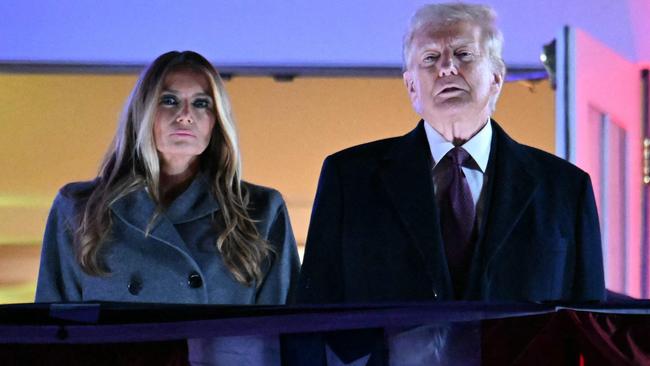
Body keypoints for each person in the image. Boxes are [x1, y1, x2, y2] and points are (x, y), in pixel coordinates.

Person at [294, 3, 605, 364]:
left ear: (496, 77)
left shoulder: (566, 188)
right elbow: (310, 321)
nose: (446, 67)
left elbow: (591, 327)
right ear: (411, 86)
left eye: (463, 53)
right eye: (429, 58)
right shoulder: (349, 177)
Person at [35, 51, 300, 363]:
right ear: (143, 112)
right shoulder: (79, 207)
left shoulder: (260, 210)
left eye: (202, 103)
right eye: (170, 100)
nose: (185, 115)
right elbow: (49, 337)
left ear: (216, 120)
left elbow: (286, 336)